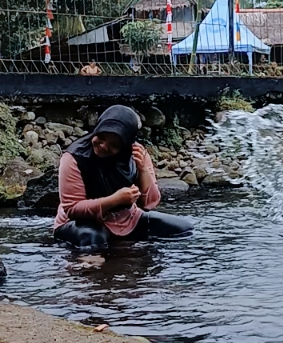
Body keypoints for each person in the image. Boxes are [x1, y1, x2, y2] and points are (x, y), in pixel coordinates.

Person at [54, 105, 193, 252]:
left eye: (113, 145)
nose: (103, 146)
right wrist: (115, 200)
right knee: (92, 239)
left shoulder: (136, 154)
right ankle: (90, 264)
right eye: (101, 137)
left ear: (125, 146)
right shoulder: (74, 157)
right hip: (80, 222)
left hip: (126, 219)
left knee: (183, 229)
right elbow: (72, 209)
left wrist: (143, 170)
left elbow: (150, 203)